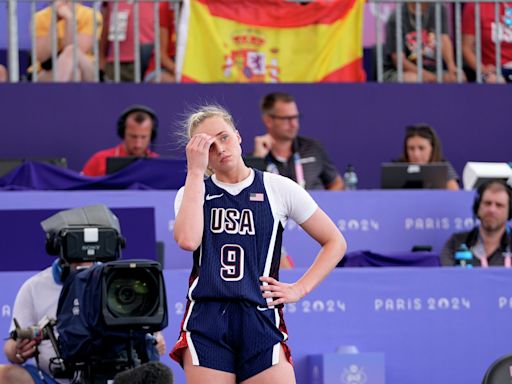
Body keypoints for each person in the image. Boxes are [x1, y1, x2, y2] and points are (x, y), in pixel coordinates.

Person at [170, 105, 346, 383]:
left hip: (259, 314)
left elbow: (335, 241)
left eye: (223, 137)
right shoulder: (192, 191)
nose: (220, 148)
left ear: (238, 137)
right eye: (207, 146)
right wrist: (195, 172)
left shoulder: (277, 187)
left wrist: (299, 288)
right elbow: (188, 240)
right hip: (208, 317)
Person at [253, 92, 344, 190]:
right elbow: (249, 194)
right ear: (268, 120)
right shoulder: (258, 157)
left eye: (296, 117)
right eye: (287, 118)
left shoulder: (313, 148)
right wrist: (257, 159)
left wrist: (325, 203)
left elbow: (337, 183)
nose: (294, 124)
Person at [383, 3, 461, 83]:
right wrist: (426, 75)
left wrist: (451, 67)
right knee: (414, 79)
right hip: (399, 72)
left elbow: (444, 39)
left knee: (459, 78)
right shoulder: (396, 17)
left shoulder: (439, 9)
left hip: (432, 70)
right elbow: (399, 60)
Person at [440, 180, 512, 266]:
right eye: (487, 203)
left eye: (499, 205)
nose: (492, 210)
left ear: (510, 211)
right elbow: (447, 276)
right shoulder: (456, 243)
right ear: (477, 207)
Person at [29, 0, 102, 82]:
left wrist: (69, 19)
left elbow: (73, 52)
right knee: (74, 74)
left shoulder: (91, 15)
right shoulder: (39, 17)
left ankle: (59, 91)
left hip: (84, 68)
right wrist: (53, 21)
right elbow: (43, 58)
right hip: (46, 69)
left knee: (72, 54)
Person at [81, 104, 159, 177]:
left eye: (144, 137)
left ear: (152, 135)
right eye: (133, 136)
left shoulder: (158, 163)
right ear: (122, 132)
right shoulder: (99, 160)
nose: (138, 144)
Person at [99, 1, 155, 82]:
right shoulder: (111, 3)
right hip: (116, 62)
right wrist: (101, 59)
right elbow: (105, 26)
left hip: (150, 61)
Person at [396, 123, 460, 190]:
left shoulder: (443, 168)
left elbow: (454, 194)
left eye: (421, 148)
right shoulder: (396, 167)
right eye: (411, 148)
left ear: (432, 148)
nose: (416, 154)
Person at [462, 2, 512, 83]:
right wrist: (483, 69)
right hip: (492, 70)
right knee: (495, 81)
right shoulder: (475, 5)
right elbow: (466, 48)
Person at [143, 2, 176, 83]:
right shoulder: (165, 7)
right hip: (161, 68)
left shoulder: (199, 9)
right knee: (174, 82)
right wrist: (179, 72)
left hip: (189, 68)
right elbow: (162, 55)